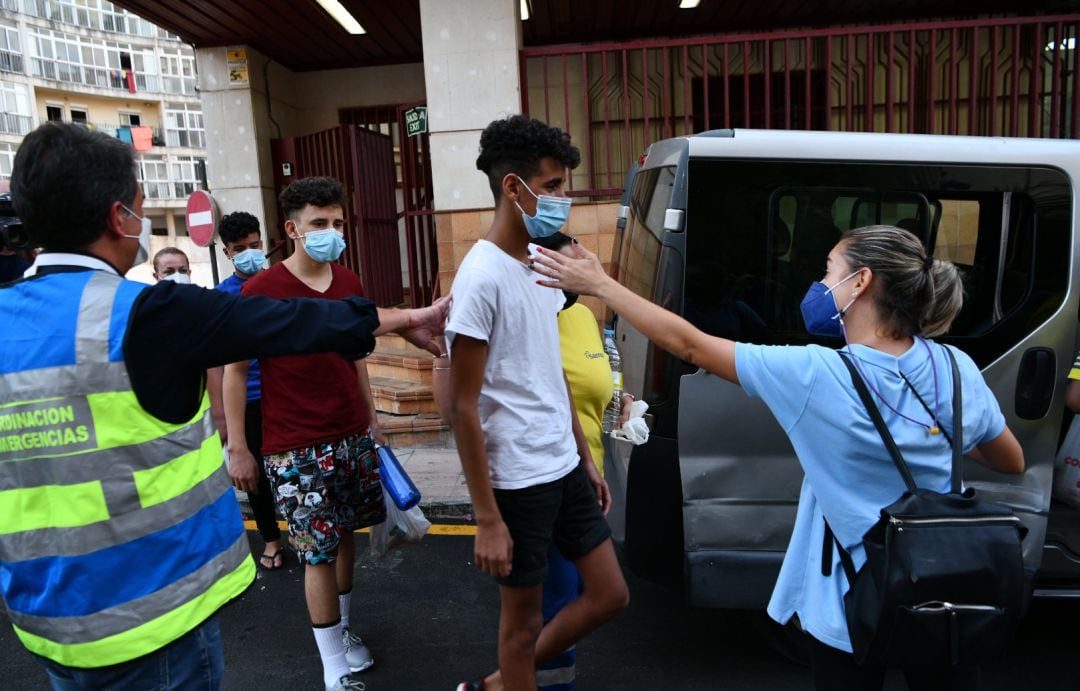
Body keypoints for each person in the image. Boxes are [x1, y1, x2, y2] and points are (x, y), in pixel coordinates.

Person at [0, 122, 448, 691]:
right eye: (140, 205)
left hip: (45, 624)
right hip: (153, 620)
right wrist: (411, 318)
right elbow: (290, 323)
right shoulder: (150, 313)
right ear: (121, 216)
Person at [531, 224, 1025, 690]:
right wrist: (934, 435)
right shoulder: (955, 367)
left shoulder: (815, 374)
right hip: (946, 592)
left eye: (830, 269)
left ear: (861, 282)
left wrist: (600, 284)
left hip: (846, 601)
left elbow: (689, 344)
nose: (820, 283)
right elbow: (1010, 460)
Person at [448, 115, 629, 691]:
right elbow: (462, 406)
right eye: (551, 187)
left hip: (562, 464)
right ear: (513, 188)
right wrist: (486, 519)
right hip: (518, 479)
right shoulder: (481, 278)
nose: (562, 199)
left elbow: (548, 375)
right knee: (522, 625)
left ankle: (502, 681)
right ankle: (510, 675)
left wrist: (584, 456)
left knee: (609, 596)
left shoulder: (538, 263)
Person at [223, 177, 388, 691]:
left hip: (351, 435)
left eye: (338, 223)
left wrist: (372, 419)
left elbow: (355, 357)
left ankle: (342, 634)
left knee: (344, 542)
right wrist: (238, 446)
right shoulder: (260, 291)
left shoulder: (349, 281)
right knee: (315, 553)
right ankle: (332, 665)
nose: (332, 233)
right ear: (293, 229)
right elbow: (233, 370)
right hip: (295, 447)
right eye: (320, 224)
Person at [530, 231, 634, 690]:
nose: (582, 249)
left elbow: (588, 385)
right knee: (559, 598)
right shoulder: (528, 316)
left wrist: (620, 400)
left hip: (583, 473)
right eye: (570, 242)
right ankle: (525, 680)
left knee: (590, 595)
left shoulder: (582, 315)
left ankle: (511, 678)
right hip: (544, 478)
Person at [204, 211, 284, 570]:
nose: (251, 254)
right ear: (226, 253)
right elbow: (214, 363)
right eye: (240, 249)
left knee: (290, 470)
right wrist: (222, 417)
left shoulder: (281, 285)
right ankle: (271, 539)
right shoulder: (221, 299)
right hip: (247, 402)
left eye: (256, 246)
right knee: (256, 478)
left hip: (285, 395)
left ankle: (301, 532)